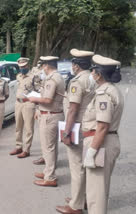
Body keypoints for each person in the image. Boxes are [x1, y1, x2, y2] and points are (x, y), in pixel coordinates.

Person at [81, 55, 123, 214]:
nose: (91, 74)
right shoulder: (111, 90)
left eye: (93, 71)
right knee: (98, 190)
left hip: (100, 144)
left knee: (96, 194)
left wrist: (91, 153)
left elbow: (102, 127)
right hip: (101, 142)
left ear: (98, 74)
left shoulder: (104, 94)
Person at [55, 49, 95, 214]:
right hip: (91, 126)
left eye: (73, 64)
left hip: (78, 126)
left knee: (77, 166)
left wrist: (66, 132)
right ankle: (82, 198)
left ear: (76, 66)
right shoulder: (93, 79)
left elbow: (73, 109)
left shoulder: (77, 82)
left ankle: (75, 206)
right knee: (86, 167)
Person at [28, 56, 65, 187]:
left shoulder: (52, 79)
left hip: (50, 116)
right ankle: (48, 171)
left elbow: (48, 100)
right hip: (54, 114)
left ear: (46, 66)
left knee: (48, 147)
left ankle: (50, 177)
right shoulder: (57, 77)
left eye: (43, 66)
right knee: (51, 146)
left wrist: (34, 99)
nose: (42, 68)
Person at [9, 57, 41, 158]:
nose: (22, 68)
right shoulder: (18, 76)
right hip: (18, 103)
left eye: (24, 66)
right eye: (20, 67)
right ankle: (18, 146)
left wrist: (38, 108)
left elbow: (38, 91)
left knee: (28, 128)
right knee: (18, 127)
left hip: (28, 104)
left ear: (28, 65)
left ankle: (26, 149)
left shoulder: (33, 77)